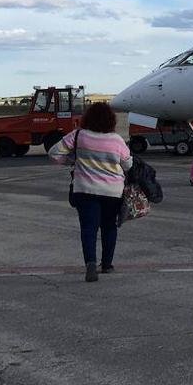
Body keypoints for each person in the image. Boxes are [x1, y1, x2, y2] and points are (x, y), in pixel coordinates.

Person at [49, 101, 132, 282]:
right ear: (111, 120)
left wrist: (73, 160)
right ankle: (108, 265)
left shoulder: (79, 135)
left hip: (85, 190)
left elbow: (54, 153)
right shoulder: (116, 140)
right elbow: (128, 164)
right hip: (112, 191)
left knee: (88, 228)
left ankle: (91, 263)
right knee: (109, 227)